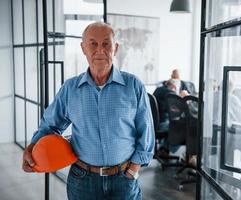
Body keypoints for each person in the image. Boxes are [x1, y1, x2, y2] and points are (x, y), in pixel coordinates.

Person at [22, 22, 155, 200]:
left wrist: (133, 170)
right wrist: (31, 148)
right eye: (93, 43)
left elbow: (145, 132)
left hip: (124, 179)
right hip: (82, 180)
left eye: (106, 43)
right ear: (83, 48)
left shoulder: (133, 85)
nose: (100, 49)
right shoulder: (70, 88)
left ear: (115, 48)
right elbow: (50, 126)